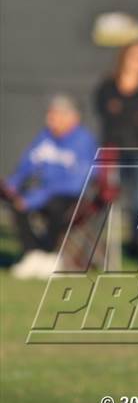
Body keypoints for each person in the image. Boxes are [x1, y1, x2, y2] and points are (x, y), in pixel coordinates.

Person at [2, 94, 97, 279]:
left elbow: (77, 182)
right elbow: (26, 167)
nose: (50, 120)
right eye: (50, 115)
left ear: (72, 118)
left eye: (55, 115)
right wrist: (11, 187)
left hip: (74, 196)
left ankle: (50, 255)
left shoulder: (83, 141)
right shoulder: (45, 137)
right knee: (16, 202)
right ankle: (33, 254)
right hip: (43, 193)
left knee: (56, 205)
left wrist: (35, 198)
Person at [94, 39, 138, 256]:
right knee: (109, 195)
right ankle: (100, 245)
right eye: (136, 56)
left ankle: (135, 243)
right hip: (116, 150)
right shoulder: (109, 85)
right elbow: (106, 111)